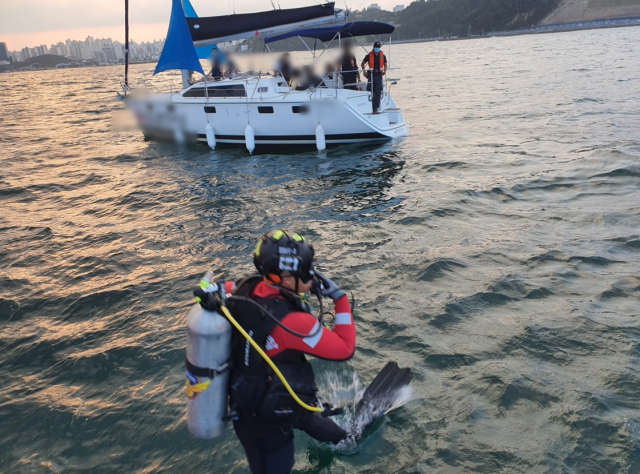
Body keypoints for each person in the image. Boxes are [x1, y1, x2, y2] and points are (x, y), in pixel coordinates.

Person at [224, 230, 356, 474]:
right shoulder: (294, 323)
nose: (314, 276)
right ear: (285, 278)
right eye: (307, 270)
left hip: (247, 398)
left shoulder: (246, 287)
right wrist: (340, 299)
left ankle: (345, 439)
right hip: (266, 420)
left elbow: (223, 286)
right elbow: (345, 349)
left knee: (306, 415)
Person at [361, 41, 387, 113]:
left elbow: (385, 64)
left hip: (379, 75)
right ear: (373, 47)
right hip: (371, 75)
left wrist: (385, 71)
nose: (377, 49)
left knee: (378, 91)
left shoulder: (382, 56)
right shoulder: (369, 56)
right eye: (376, 47)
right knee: (370, 90)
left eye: (378, 48)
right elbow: (362, 63)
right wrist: (364, 71)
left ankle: (376, 106)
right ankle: (370, 105)